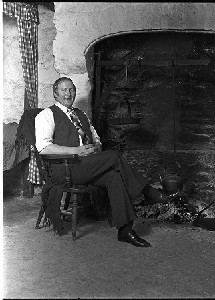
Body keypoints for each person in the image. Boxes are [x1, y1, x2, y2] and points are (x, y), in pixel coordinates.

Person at [35, 77, 174, 247]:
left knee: (114, 176)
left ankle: (125, 230)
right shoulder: (47, 115)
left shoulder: (81, 115)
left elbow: (97, 140)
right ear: (55, 94)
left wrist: (94, 148)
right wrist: (75, 150)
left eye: (71, 89)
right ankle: (148, 191)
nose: (68, 93)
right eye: (64, 90)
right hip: (64, 169)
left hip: (87, 165)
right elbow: (43, 147)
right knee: (115, 156)